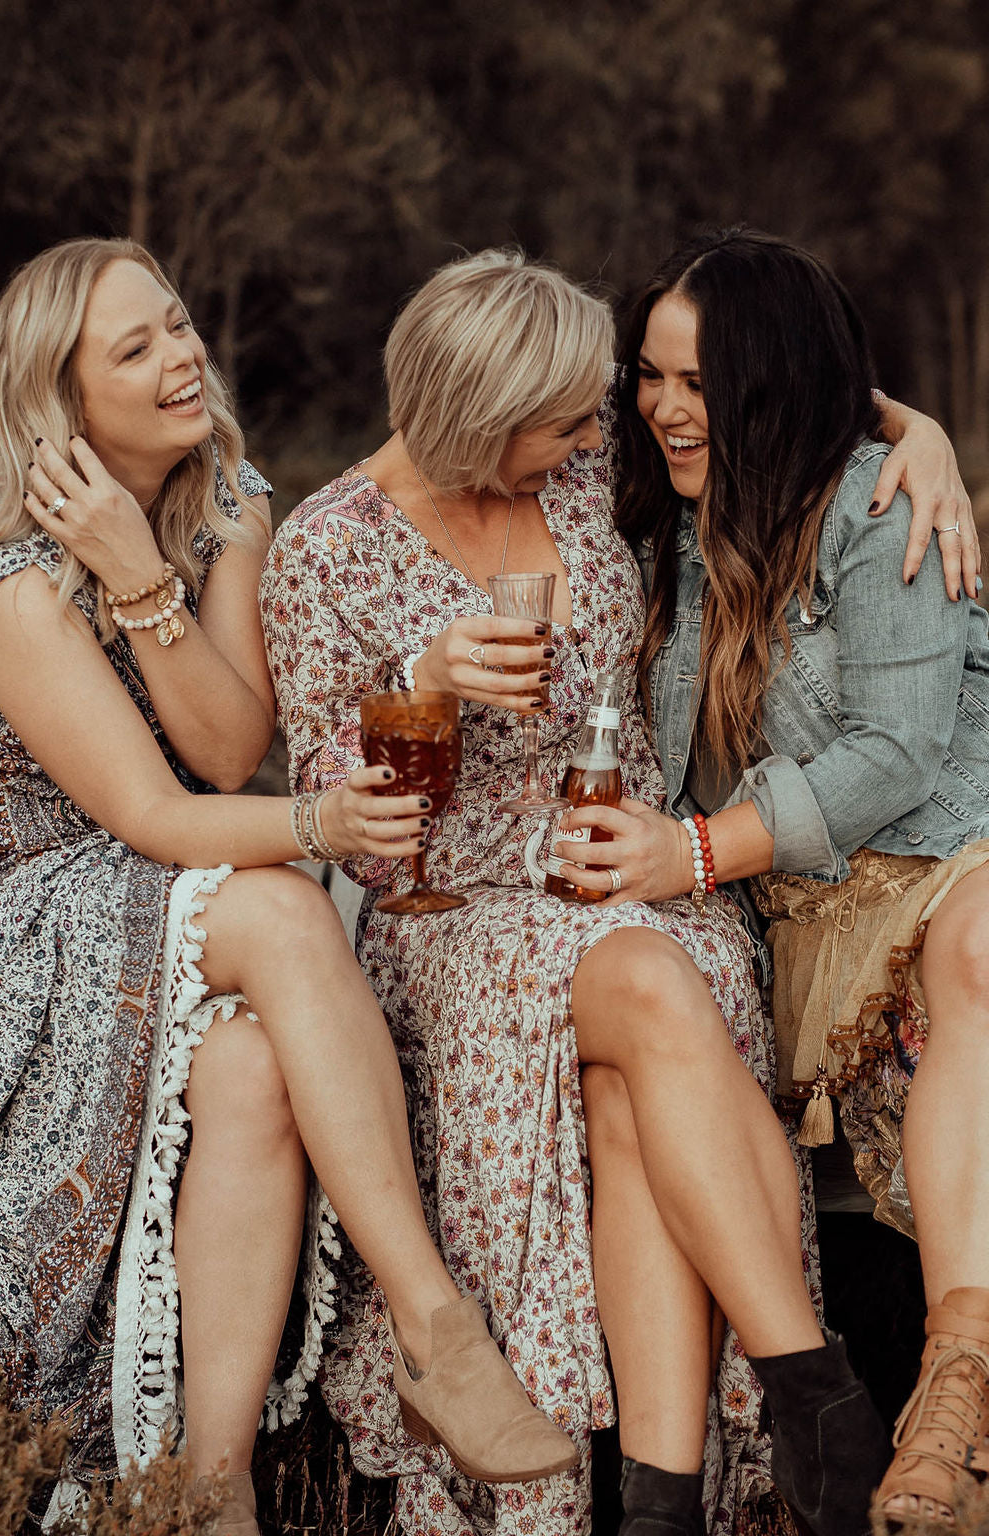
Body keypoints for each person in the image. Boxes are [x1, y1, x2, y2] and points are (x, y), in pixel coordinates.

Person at [260, 249, 968, 1536]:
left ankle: (662, 1503)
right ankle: (816, 1391)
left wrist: (920, 435)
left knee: (632, 1067)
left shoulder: (588, 474)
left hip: (644, 866)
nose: (614, 425)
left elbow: (779, 386)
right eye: (575, 413)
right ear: (487, 423)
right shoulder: (326, 550)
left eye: (606, 401)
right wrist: (420, 682)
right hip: (456, 915)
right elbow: (351, 837)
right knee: (646, 982)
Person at [0, 238, 577, 1536]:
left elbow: (225, 746)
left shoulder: (229, 502)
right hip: (8, 925)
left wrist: (148, 573)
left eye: (177, 326)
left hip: (159, 878)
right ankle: (434, 1328)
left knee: (249, 1067)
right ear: (61, 400)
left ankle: (213, 1482)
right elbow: (152, 810)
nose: (181, 356)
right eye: (133, 349)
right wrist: (314, 818)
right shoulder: (4, 572)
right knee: (288, 900)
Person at [546, 226, 989, 1533]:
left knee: (978, 950)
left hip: (928, 853)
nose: (665, 406)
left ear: (768, 390)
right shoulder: (662, 522)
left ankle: (955, 1401)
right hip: (778, 908)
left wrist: (687, 850)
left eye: (698, 383)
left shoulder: (873, 506)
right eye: (654, 377)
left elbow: (899, 756)